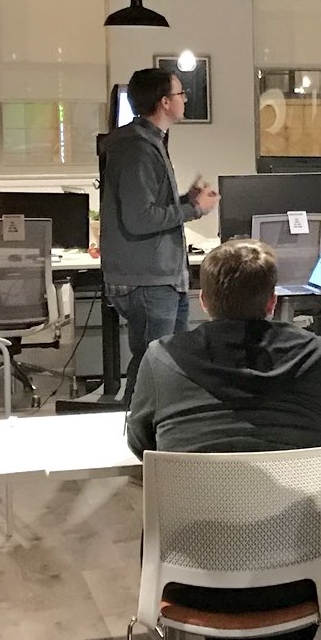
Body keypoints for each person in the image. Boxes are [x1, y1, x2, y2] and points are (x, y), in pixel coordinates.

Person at [125, 239, 321, 640]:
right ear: (272, 300)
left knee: (239, 521)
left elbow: (141, 444)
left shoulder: (161, 357)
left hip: (188, 566)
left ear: (202, 300)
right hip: (293, 564)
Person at [102, 65, 220, 396]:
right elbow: (140, 219)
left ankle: (160, 426)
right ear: (165, 102)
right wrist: (195, 209)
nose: (185, 99)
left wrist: (187, 201)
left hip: (163, 276)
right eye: (181, 93)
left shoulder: (149, 141)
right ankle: (138, 428)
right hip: (148, 278)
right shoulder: (135, 147)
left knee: (168, 362)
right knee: (154, 362)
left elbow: (151, 206)